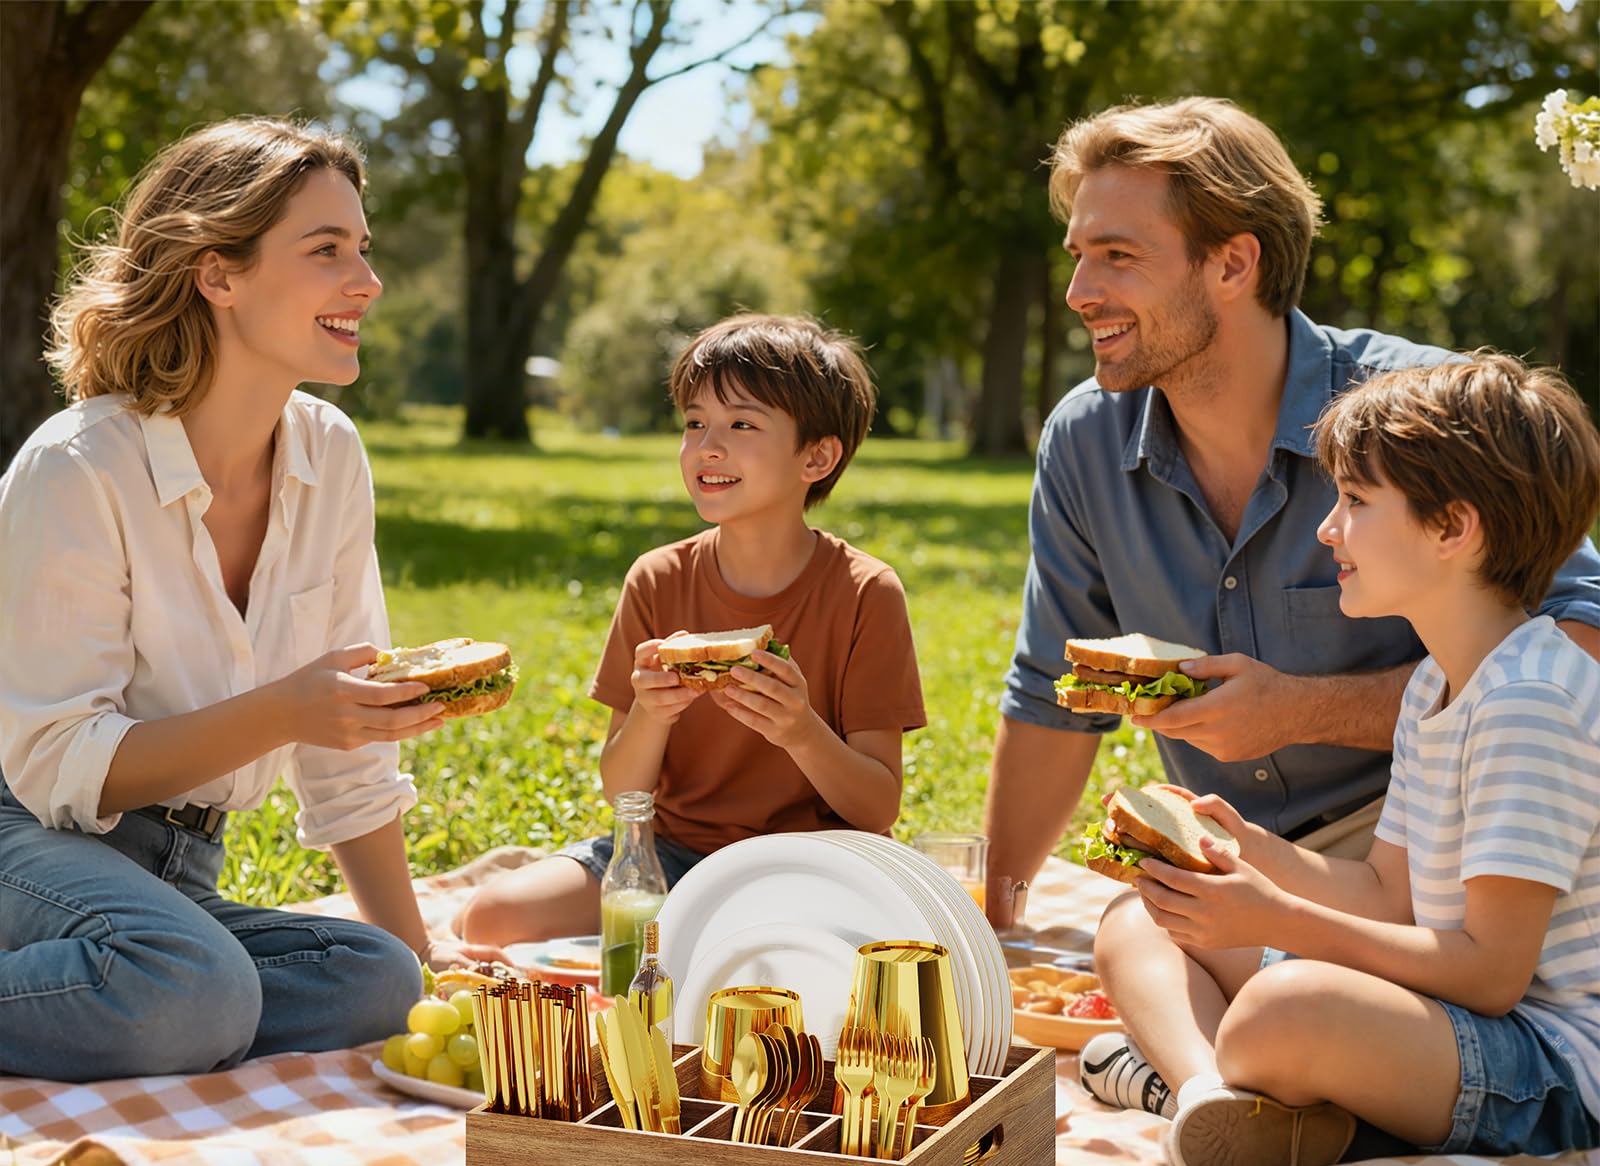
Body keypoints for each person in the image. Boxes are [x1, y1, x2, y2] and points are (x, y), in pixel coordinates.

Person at [984, 97, 1600, 928]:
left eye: (1117, 256)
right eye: (1078, 256)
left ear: (1233, 264)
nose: (1078, 292)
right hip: (1235, 858)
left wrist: (1305, 708)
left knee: (1258, 996)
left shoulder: (1418, 417)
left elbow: (1582, 647)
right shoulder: (1084, 441)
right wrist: (996, 922)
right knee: (1133, 942)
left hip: (1430, 860)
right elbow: (1050, 698)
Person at [0, 118, 498, 1081]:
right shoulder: (78, 468)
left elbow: (347, 763)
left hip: (175, 866)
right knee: (193, 991)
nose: (367, 281)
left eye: (363, 250)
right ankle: (147, 989)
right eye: (326, 252)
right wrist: (286, 710)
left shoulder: (328, 455)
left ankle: (123, 988)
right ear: (216, 271)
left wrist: (428, 976)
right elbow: (60, 767)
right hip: (24, 830)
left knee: (375, 981)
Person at [1081, 353, 1600, 1166]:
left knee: (1285, 1008)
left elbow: (1493, 974)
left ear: (1452, 529)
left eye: (1356, 502)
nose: (1328, 529)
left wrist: (1276, 921)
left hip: (1547, 1069)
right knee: (1140, 920)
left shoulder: (1528, 700)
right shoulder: (1438, 681)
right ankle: (1209, 1097)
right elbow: (1388, 897)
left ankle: (1241, 1100)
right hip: (1449, 1017)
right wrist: (1249, 849)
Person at [456, 313, 926, 945]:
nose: (708, 446)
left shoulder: (866, 592)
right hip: (670, 855)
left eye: (742, 425)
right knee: (491, 919)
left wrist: (801, 731)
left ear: (816, 456)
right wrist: (651, 713)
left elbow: (877, 806)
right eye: (695, 423)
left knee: (778, 951)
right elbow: (622, 789)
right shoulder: (657, 579)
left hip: (809, 868)